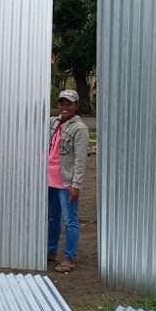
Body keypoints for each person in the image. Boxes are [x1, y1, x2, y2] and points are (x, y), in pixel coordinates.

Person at [47, 89, 89, 273]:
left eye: (69, 104)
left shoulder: (79, 129)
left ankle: (69, 257)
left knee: (70, 220)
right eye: (62, 103)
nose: (64, 107)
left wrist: (76, 185)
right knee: (52, 217)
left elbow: (80, 159)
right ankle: (51, 251)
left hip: (66, 182)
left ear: (76, 106)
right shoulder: (54, 122)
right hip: (50, 179)